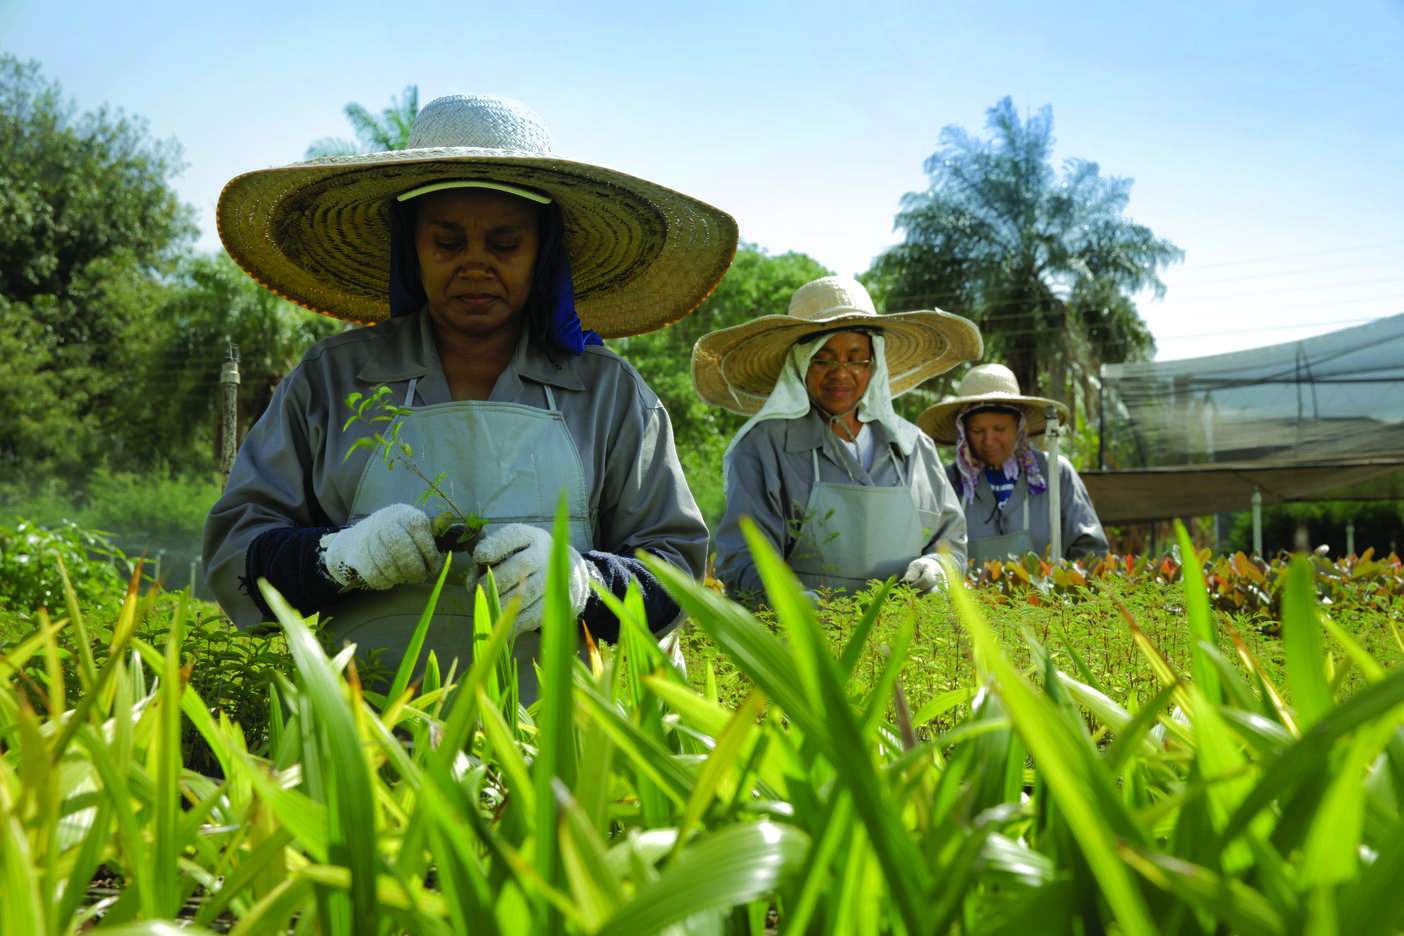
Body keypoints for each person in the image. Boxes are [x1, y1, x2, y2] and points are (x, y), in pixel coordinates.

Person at [203, 93, 737, 700]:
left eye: (505, 244)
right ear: (412, 247)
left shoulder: (608, 393)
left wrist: (583, 581)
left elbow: (677, 575)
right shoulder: (331, 382)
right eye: (448, 242)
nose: (476, 265)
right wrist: (335, 557)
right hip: (364, 733)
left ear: (543, 252)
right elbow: (235, 555)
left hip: (558, 745)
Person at [692, 276, 982, 599]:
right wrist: (792, 603)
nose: (841, 372)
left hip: (905, 644)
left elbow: (951, 542)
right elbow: (743, 560)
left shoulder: (912, 449)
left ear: (874, 364)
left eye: (856, 358)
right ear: (802, 361)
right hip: (800, 645)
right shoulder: (765, 449)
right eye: (824, 358)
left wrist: (939, 569)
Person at [916, 363, 1108, 565]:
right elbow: (929, 551)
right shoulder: (947, 482)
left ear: (1020, 426)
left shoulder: (1055, 472)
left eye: (999, 428)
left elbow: (1090, 550)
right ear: (963, 431)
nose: (989, 440)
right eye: (977, 431)